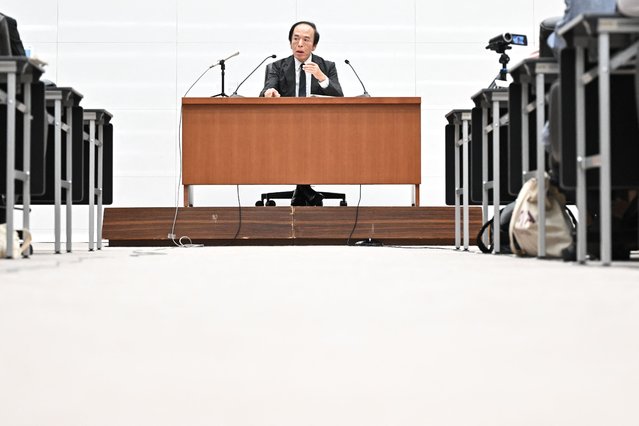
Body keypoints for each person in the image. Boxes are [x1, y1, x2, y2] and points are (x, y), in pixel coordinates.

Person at [260, 21, 344, 206]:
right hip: (285, 128)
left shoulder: (327, 66)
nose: (300, 44)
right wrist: (269, 92)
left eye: (306, 40)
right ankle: (305, 191)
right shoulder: (277, 66)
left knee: (309, 139)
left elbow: (339, 97)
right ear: (290, 42)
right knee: (296, 139)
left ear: (314, 45)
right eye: (296, 39)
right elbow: (267, 89)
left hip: (320, 128)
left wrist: (321, 77)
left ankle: (302, 190)